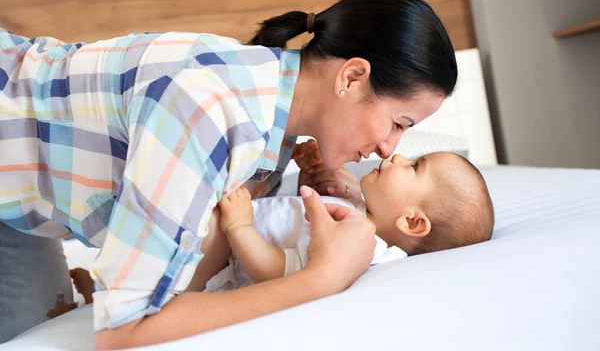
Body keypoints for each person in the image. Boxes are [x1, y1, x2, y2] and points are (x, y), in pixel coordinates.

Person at [0, 0, 457, 348]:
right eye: (398, 124)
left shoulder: (274, 135)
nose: (387, 149)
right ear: (352, 77)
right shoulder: (208, 109)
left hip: (22, 200)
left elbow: (199, 268)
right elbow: (121, 330)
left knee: (36, 321)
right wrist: (319, 279)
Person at [70, 147, 495, 296]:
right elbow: (305, 215)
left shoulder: (363, 248)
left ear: (413, 223)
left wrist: (239, 228)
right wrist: (317, 179)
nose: (397, 155)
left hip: (219, 269)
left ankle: (106, 286)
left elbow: (278, 271)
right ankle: (97, 285)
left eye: (415, 166)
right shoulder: (363, 217)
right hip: (225, 246)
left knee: (189, 231)